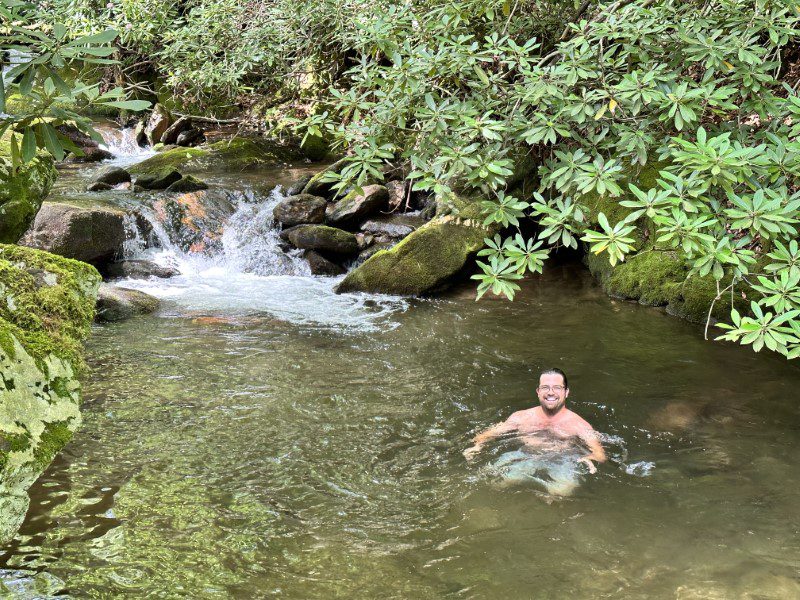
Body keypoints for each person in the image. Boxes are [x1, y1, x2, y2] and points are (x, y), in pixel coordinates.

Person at [463, 368, 606, 495]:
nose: (551, 392)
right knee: (496, 483)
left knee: (562, 492)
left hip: (561, 461)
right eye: (545, 387)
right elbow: (488, 433)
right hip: (526, 455)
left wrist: (589, 458)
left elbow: (600, 454)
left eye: (557, 387)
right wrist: (477, 445)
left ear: (566, 392)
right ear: (538, 392)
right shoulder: (521, 417)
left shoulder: (579, 425)